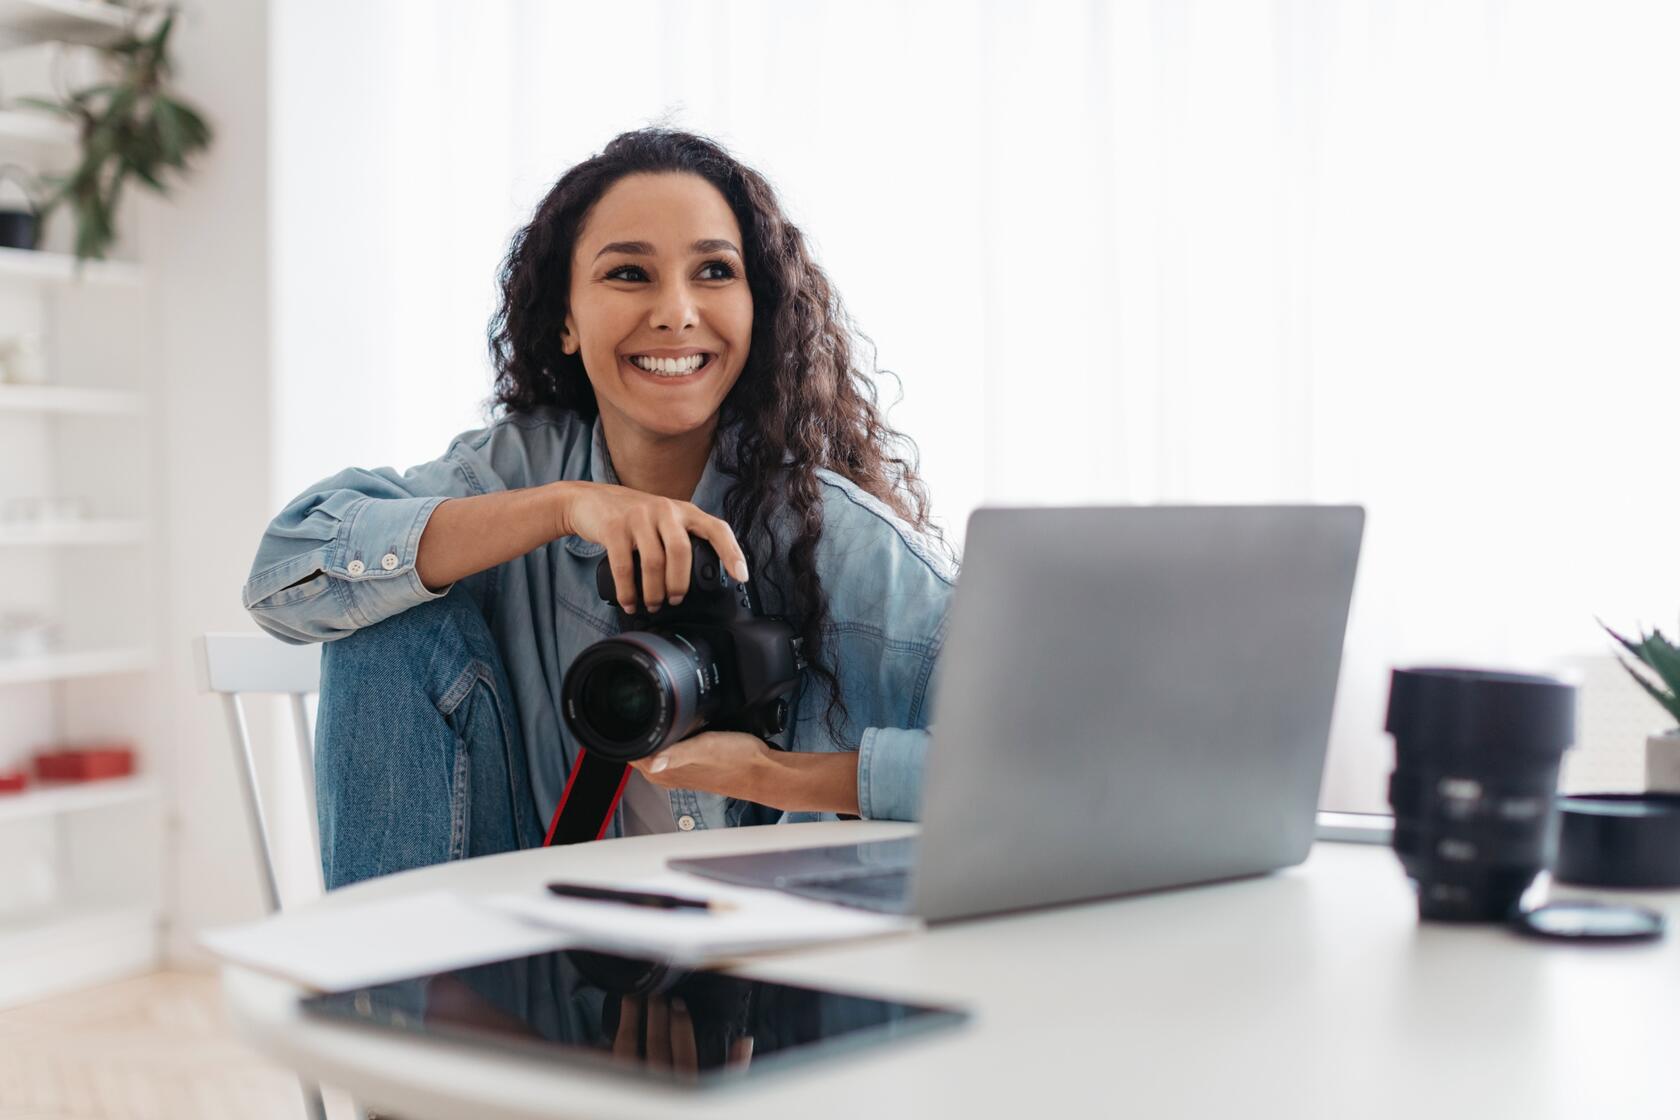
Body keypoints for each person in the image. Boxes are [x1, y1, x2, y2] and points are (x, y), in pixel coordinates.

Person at [242, 127, 956, 891]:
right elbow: (285, 578)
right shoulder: (516, 475)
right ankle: (398, 990)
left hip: (771, 962)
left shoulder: (833, 539)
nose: (677, 313)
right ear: (567, 321)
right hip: (529, 949)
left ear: (760, 309)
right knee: (381, 610)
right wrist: (566, 508)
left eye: (714, 270)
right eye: (628, 274)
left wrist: (784, 776)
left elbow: (1063, 768)